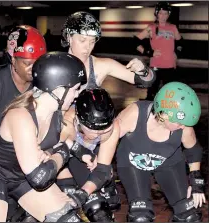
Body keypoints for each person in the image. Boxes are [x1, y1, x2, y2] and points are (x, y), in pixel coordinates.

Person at [0, 51, 89, 222]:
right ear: (58, 89)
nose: (77, 95)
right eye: (75, 89)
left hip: (21, 177)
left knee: (69, 220)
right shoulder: (21, 116)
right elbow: (40, 178)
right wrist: (62, 153)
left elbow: (60, 143)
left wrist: (81, 152)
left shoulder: (57, 113)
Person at [116, 82, 206, 222]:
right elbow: (107, 138)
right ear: (164, 115)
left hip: (168, 162)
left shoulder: (184, 127)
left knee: (189, 216)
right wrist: (101, 167)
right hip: (132, 162)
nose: (183, 126)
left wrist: (196, 182)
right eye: (179, 122)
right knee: (141, 217)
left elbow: (193, 150)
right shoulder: (135, 114)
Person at [0, 25, 46, 151]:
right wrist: (5, 135)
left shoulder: (41, 82)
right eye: (27, 63)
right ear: (13, 60)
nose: (34, 69)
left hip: (21, 152)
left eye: (38, 63)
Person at [58, 88, 120, 222]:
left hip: (93, 156)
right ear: (79, 122)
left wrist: (84, 192)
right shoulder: (67, 122)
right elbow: (56, 145)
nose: (100, 134)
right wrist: (79, 150)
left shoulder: (114, 125)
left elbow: (101, 170)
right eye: (94, 131)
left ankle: (108, 183)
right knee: (69, 211)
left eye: (106, 130)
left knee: (100, 212)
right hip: (66, 159)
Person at [61, 11, 156, 90]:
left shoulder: (101, 65)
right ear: (69, 38)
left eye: (92, 41)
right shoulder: (54, 66)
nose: (88, 47)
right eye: (82, 40)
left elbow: (147, 81)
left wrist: (143, 71)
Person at [132, 2, 184, 100]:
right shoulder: (151, 28)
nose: (163, 16)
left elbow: (180, 42)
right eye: (160, 13)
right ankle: (149, 113)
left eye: (165, 13)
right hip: (156, 65)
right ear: (156, 14)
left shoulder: (173, 27)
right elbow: (135, 41)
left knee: (170, 93)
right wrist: (148, 52)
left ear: (169, 14)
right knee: (152, 94)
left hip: (170, 66)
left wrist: (177, 53)